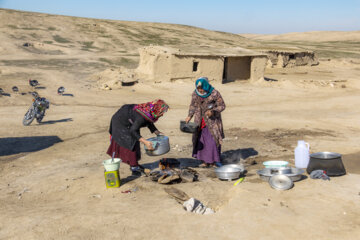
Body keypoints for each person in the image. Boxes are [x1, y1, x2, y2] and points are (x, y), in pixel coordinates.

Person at [107, 99, 169, 175]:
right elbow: (133, 131)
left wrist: (156, 132)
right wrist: (145, 142)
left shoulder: (149, 111)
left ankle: (134, 164)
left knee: (136, 139)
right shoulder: (141, 117)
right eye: (161, 112)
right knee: (131, 143)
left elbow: (148, 121)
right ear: (156, 110)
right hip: (120, 123)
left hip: (129, 121)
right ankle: (134, 168)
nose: (162, 115)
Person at [185, 77, 225, 168]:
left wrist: (213, 111)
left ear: (206, 86)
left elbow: (222, 106)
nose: (200, 90)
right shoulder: (195, 93)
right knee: (201, 141)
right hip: (199, 121)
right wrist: (189, 116)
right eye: (199, 88)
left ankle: (214, 161)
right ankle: (205, 161)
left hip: (212, 122)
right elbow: (193, 106)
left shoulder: (214, 93)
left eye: (202, 88)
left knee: (212, 141)